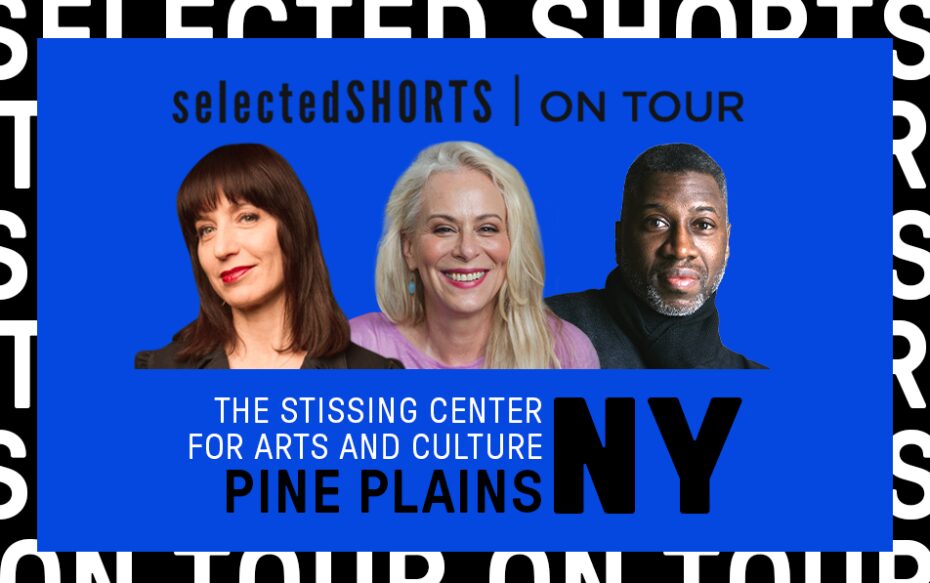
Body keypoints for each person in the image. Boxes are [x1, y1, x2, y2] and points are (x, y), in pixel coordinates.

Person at [136, 143, 401, 369]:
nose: (221, 248)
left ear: (293, 229)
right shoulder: (160, 369)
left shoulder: (373, 374)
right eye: (206, 230)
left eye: (247, 217)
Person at [350, 141, 599, 369]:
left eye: (487, 228)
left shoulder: (565, 353)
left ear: (513, 244)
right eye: (444, 229)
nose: (467, 250)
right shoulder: (356, 348)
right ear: (409, 248)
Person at [547, 143, 763, 369]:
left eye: (703, 224)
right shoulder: (538, 332)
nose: (680, 249)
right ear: (620, 238)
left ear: (726, 242)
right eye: (656, 222)